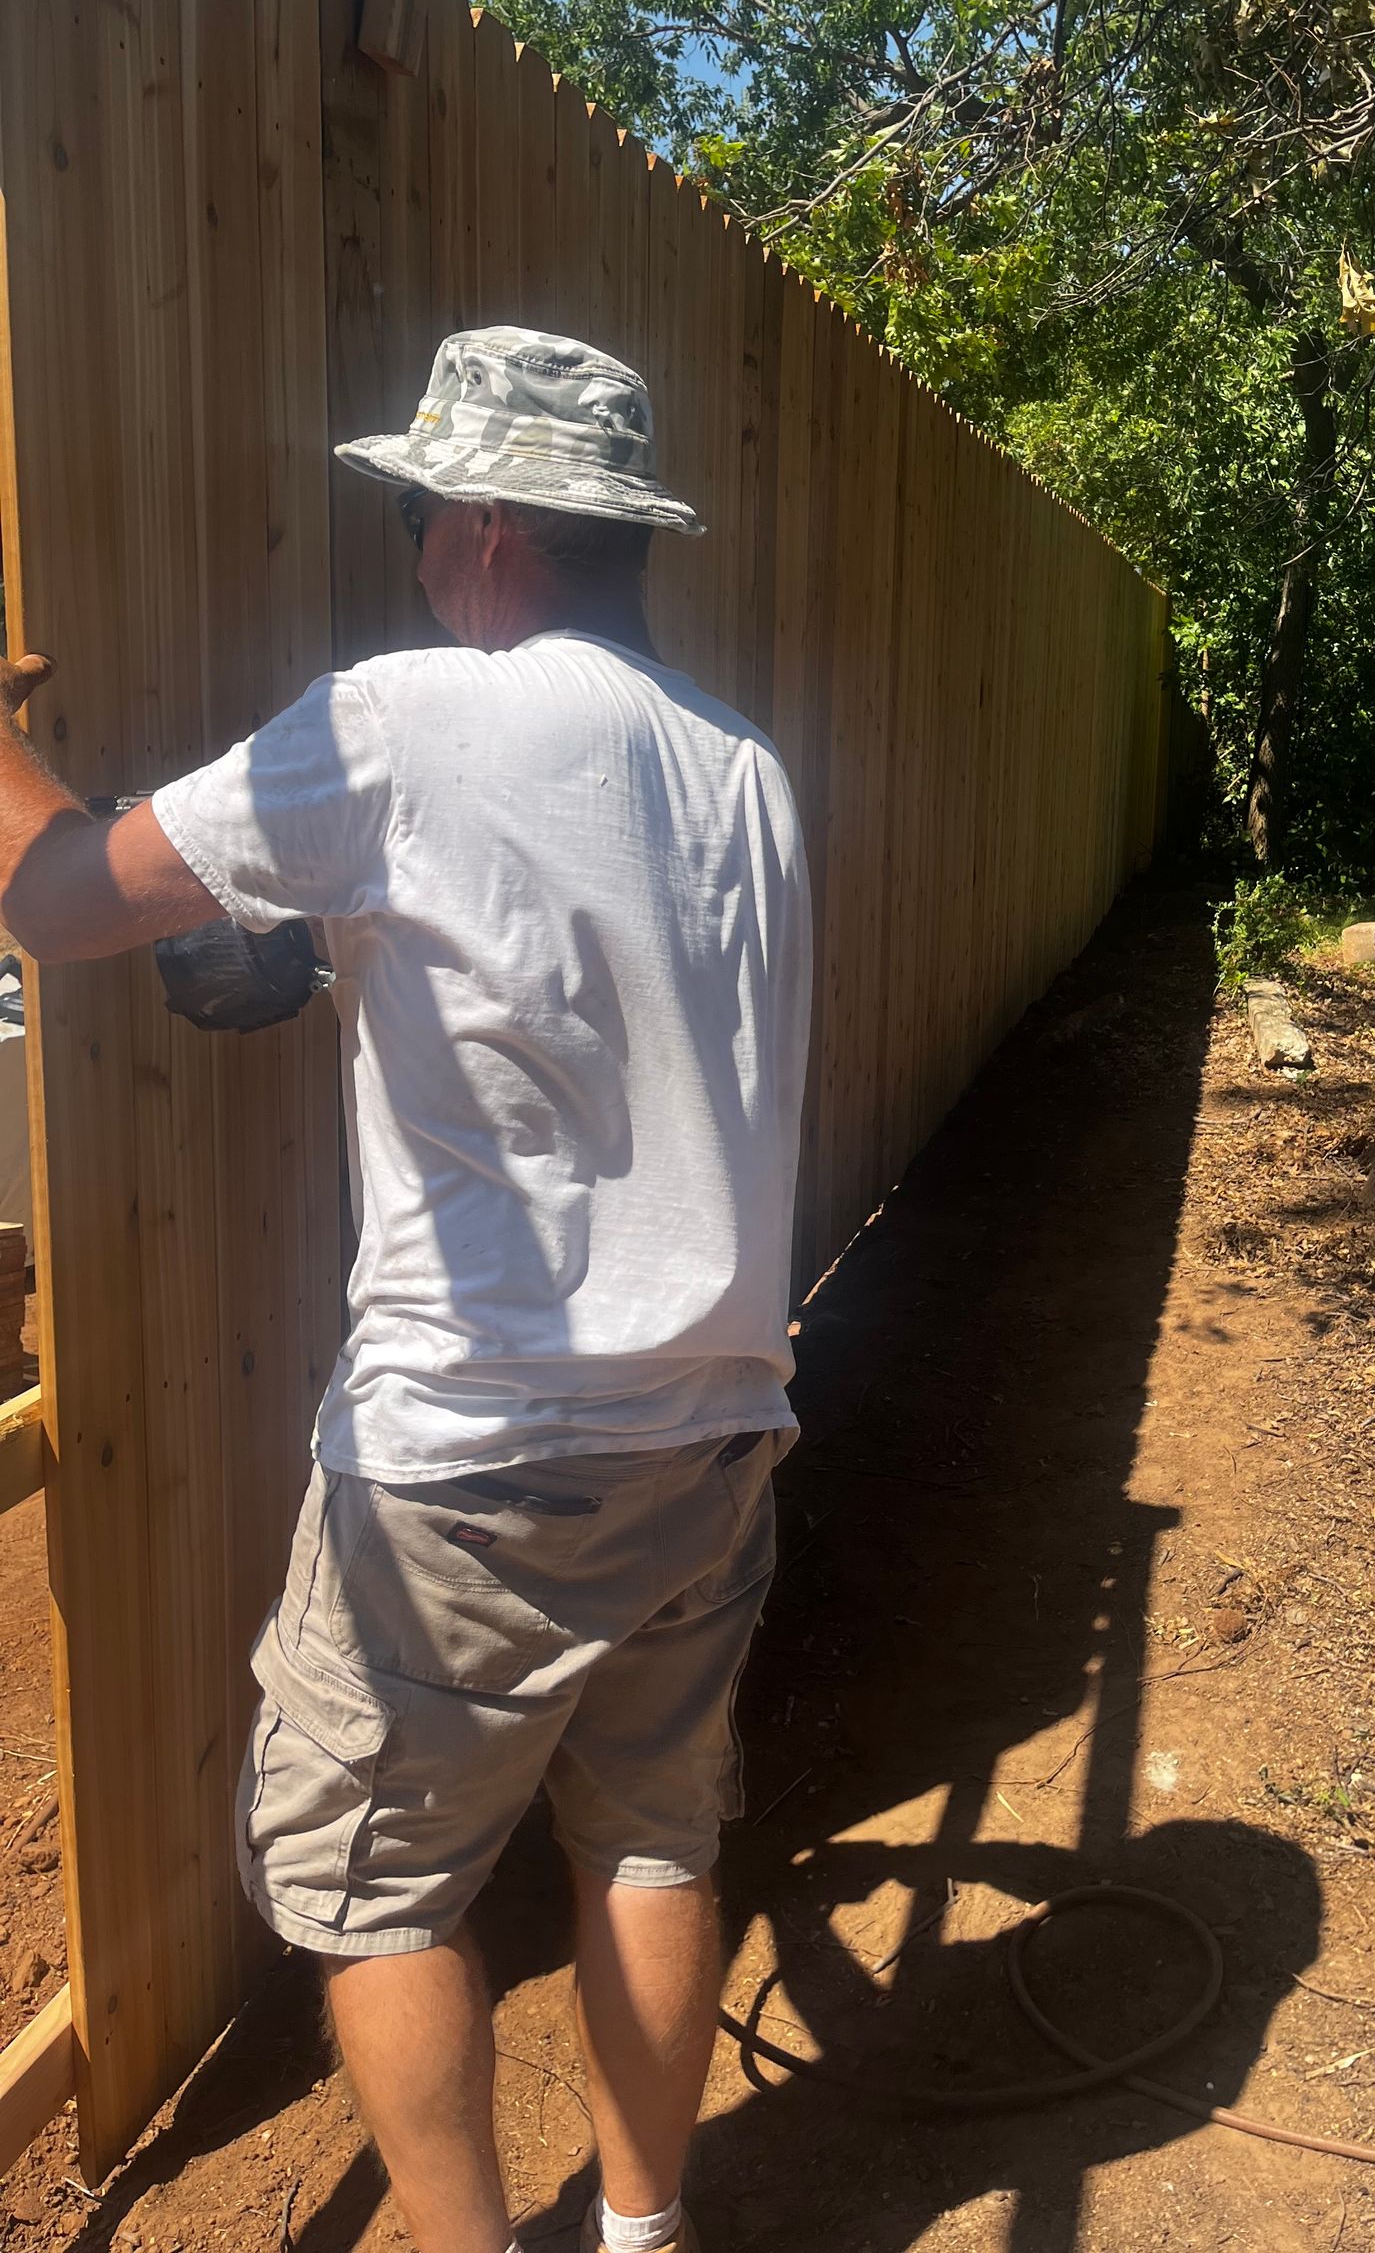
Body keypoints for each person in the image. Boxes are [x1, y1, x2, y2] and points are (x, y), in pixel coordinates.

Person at [0, 327, 815, 2253]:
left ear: (491, 532)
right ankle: (642, 2237)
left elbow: (61, 905)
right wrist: (343, 949)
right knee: (648, 1836)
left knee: (367, 1887)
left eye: (432, 512)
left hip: (472, 1460)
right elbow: (563, 996)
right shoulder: (742, 770)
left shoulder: (410, 717)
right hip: (711, 1435)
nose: (422, 547)